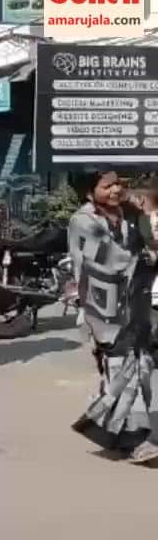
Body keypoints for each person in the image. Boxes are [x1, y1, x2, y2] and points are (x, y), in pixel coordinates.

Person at [68, 169, 158, 464]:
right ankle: (135, 439)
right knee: (123, 368)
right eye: (107, 186)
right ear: (89, 192)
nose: (116, 190)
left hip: (134, 303)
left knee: (137, 368)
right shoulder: (83, 220)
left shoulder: (127, 216)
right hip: (103, 310)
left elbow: (146, 242)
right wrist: (146, 259)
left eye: (118, 184)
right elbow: (106, 257)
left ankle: (110, 430)